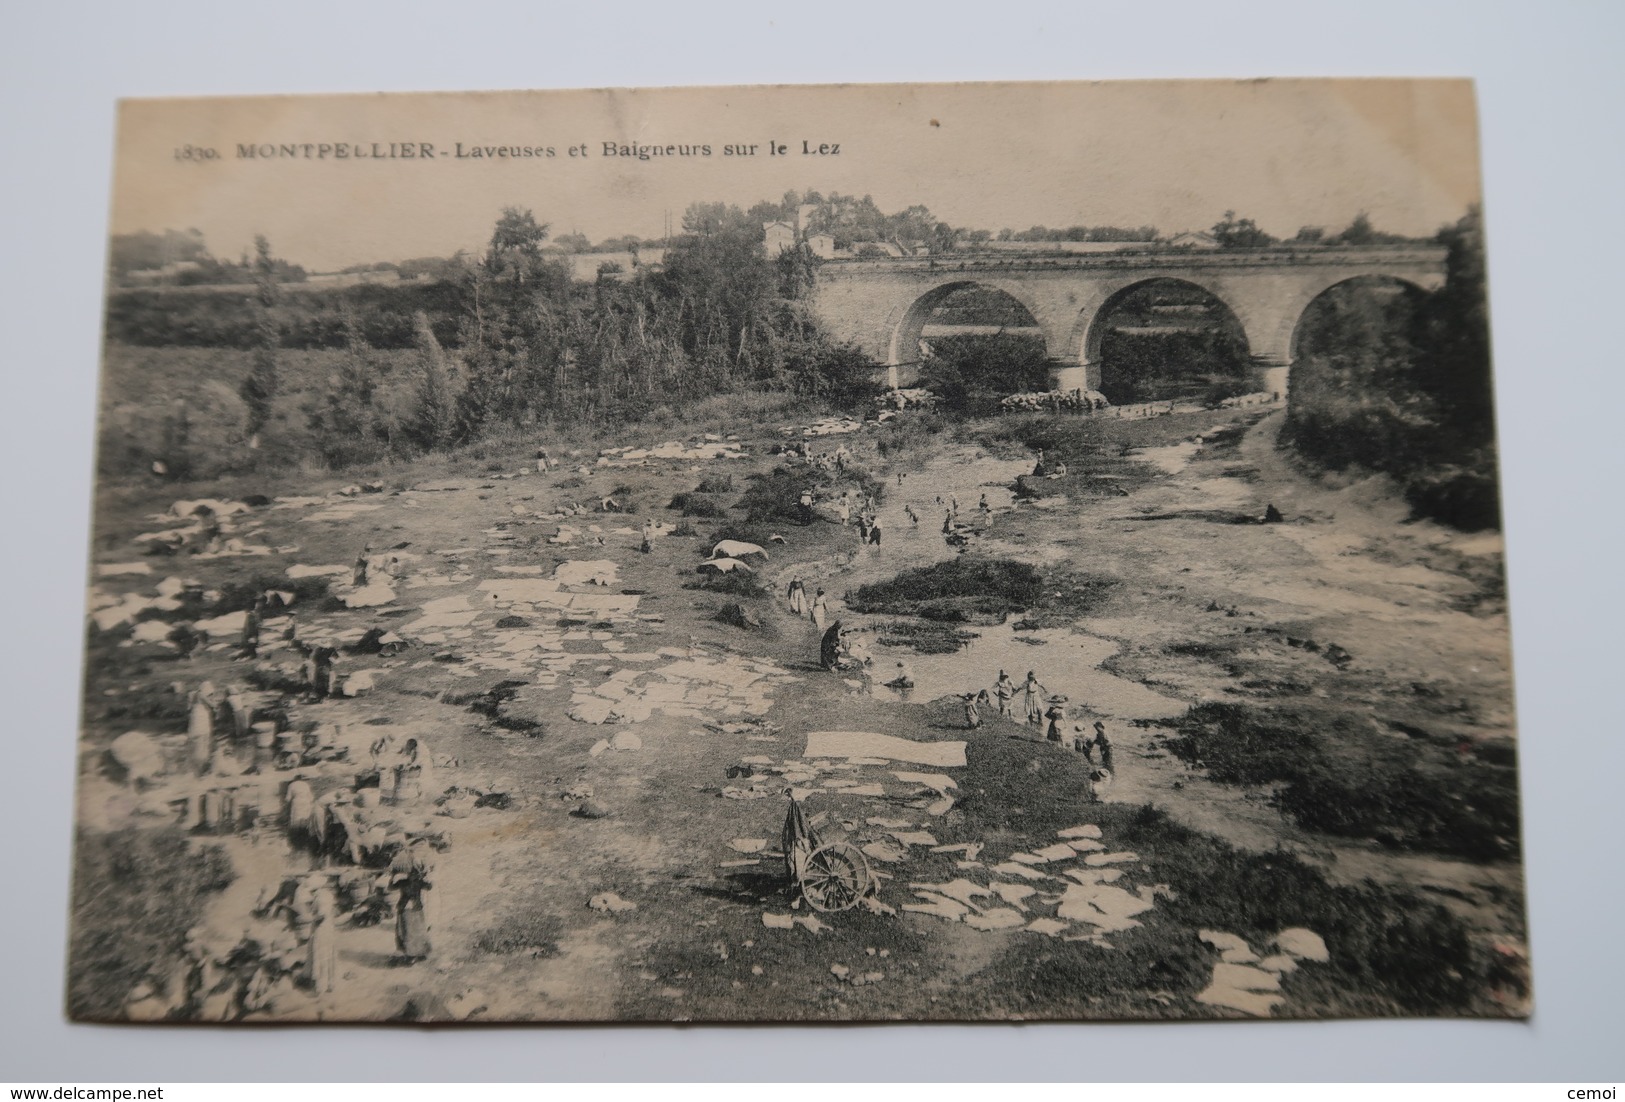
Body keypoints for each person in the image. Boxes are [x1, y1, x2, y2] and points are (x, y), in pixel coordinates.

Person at [390, 841, 434, 963]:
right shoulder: (419, 881)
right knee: (417, 931)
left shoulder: (403, 881)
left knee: (406, 932)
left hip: (404, 907)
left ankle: (409, 954)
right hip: (416, 907)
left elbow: (391, 887)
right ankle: (418, 954)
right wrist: (427, 876)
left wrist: (394, 877)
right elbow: (430, 886)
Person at [305, 878, 338, 994]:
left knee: (321, 955)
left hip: (321, 929)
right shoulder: (328, 894)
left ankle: (321, 986)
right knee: (329, 954)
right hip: (329, 927)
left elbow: (322, 915)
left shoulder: (320, 898)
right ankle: (331, 983)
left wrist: (311, 918)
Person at [186, 689, 214, 775]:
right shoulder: (201, 694)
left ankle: (196, 770)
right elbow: (212, 704)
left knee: (197, 746)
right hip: (202, 725)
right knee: (203, 746)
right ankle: (202, 769)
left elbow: (188, 709)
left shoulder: (192, 697)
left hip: (195, 725)